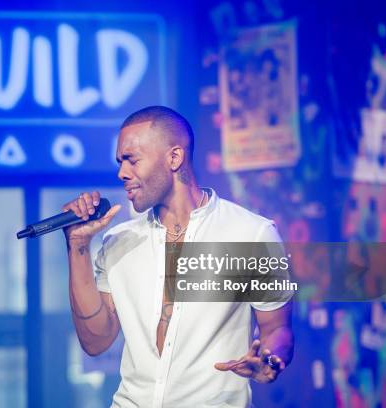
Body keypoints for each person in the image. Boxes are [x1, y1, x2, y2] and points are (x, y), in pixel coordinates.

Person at [62, 106, 294, 407]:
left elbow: (278, 329)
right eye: (120, 162)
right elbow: (95, 342)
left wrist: (270, 360)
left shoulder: (252, 234)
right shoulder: (118, 242)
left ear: (174, 157)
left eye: (132, 160)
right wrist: (78, 246)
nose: (122, 173)